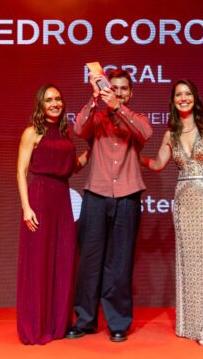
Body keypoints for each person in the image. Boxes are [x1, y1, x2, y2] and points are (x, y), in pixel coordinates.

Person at [66, 69, 152, 342]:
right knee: (90, 261)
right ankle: (85, 320)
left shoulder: (138, 118)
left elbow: (145, 133)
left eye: (123, 88)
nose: (118, 93)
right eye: (113, 88)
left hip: (127, 196)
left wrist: (119, 108)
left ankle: (118, 323)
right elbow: (79, 129)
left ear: (131, 93)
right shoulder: (97, 117)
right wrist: (94, 99)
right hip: (96, 195)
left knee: (120, 263)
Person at [141, 79, 203, 346]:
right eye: (178, 94)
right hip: (184, 203)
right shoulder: (171, 134)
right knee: (188, 263)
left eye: (188, 94)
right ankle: (189, 324)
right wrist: (133, 155)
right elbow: (158, 164)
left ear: (195, 98)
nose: (183, 98)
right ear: (173, 100)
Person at [16, 84, 87, 345]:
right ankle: (36, 326)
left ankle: (58, 324)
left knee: (63, 260)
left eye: (58, 99)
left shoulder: (66, 133)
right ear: (41, 104)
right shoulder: (32, 132)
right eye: (49, 100)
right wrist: (26, 208)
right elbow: (21, 172)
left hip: (62, 199)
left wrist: (94, 149)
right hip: (39, 198)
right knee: (39, 261)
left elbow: (73, 167)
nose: (55, 103)